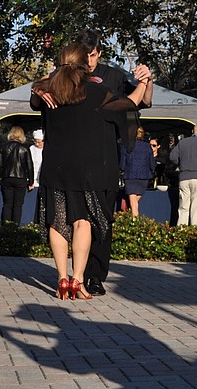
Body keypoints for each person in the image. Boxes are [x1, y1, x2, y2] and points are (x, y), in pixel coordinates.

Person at [30, 43, 145, 300]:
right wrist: (144, 83)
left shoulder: (49, 92)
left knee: (58, 222)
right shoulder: (97, 92)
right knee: (83, 222)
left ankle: (60, 277)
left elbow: (36, 92)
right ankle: (77, 280)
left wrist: (38, 86)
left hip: (56, 165)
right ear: (85, 64)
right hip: (87, 168)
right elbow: (129, 104)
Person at [77, 29, 154, 296]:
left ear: (100, 52)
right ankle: (74, 275)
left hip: (106, 159)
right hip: (75, 158)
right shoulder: (69, 75)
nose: (89, 62)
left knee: (102, 220)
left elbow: (143, 100)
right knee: (76, 220)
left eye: (94, 55)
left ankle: (95, 276)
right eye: (85, 56)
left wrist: (147, 79)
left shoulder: (114, 76)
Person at [0, 125, 34, 225]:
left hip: (7, 178)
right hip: (20, 178)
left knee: (7, 204)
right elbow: (30, 166)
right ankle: (15, 227)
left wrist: (2, 175)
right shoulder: (24, 148)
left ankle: (6, 227)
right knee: (18, 205)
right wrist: (31, 181)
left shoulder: (3, 147)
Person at [120, 127, 156, 216]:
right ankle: (131, 218)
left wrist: (122, 170)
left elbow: (122, 165)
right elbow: (152, 165)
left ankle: (134, 224)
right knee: (134, 202)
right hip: (143, 177)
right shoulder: (147, 147)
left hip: (130, 176)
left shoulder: (126, 146)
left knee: (133, 204)